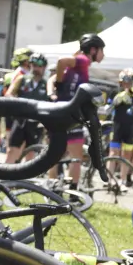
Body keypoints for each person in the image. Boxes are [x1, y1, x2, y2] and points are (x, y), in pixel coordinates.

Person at [48, 33, 104, 188]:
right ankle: (72, 190)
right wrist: (59, 83)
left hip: (62, 112)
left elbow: (52, 77)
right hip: (70, 113)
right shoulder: (83, 60)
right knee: (76, 157)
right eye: (102, 50)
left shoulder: (79, 64)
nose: (103, 54)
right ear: (93, 50)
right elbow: (61, 61)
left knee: (56, 154)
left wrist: (54, 90)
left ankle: (53, 186)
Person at [4, 54, 50, 164]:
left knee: (31, 153)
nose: (36, 68)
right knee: (12, 150)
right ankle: (6, 172)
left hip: (36, 123)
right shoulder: (22, 79)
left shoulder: (47, 84)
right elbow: (9, 94)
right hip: (20, 120)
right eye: (33, 65)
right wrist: (18, 104)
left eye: (39, 66)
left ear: (44, 67)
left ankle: (26, 174)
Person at [109, 68, 133, 178]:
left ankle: (123, 180)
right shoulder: (115, 92)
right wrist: (114, 102)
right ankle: (109, 179)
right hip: (117, 126)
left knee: (127, 155)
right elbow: (106, 110)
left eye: (130, 81)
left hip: (130, 127)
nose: (127, 84)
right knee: (113, 153)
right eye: (125, 81)